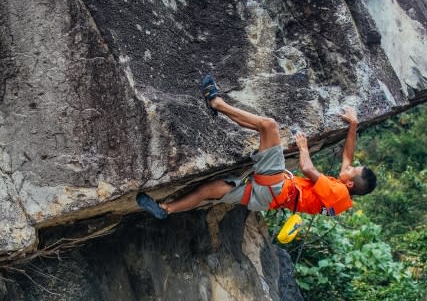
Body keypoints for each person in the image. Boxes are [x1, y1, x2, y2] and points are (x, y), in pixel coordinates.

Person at [136, 75, 377, 219]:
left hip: (277, 187)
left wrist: (303, 146)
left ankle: (216, 102)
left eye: (353, 169)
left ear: (349, 182)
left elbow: (307, 169)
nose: (350, 166)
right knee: (211, 190)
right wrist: (353, 125)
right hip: (266, 199)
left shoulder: (337, 192)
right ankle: (165, 209)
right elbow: (347, 155)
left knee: (269, 126)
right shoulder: (341, 197)